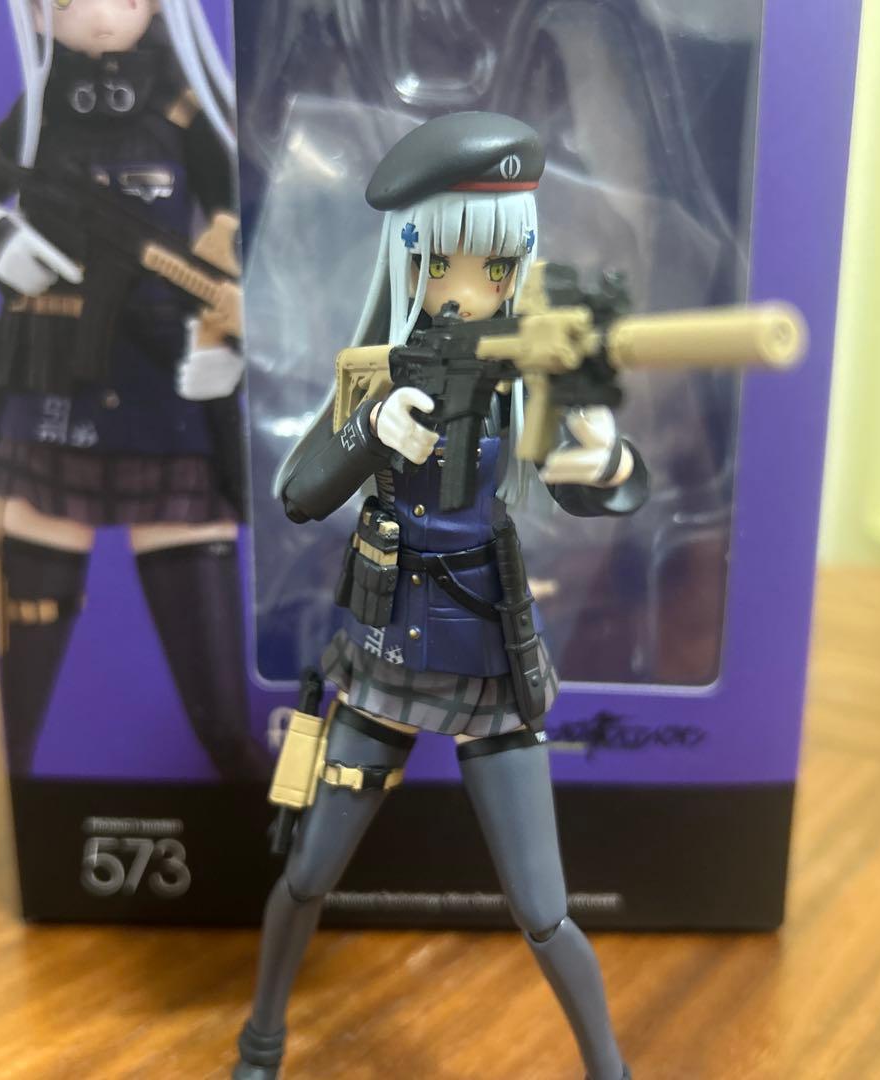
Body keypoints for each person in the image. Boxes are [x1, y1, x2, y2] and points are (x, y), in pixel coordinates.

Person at [234, 112, 644, 1080]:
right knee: (308, 871)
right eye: (448, 261)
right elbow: (299, 493)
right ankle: (261, 1042)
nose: (475, 286)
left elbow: (599, 489)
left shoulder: (524, 373)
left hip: (489, 663)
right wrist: (374, 431)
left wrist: (606, 457)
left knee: (543, 910)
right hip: (384, 657)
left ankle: (610, 1070)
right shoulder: (386, 372)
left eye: (499, 265)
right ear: (409, 256)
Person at [0, 0, 267, 780]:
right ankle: (16, 803)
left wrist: (226, 339)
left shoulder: (185, 109)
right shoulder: (37, 111)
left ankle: (247, 803)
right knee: (8, 706)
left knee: (222, 713)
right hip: (53, 385)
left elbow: (246, 220)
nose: (97, 16)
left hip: (166, 384)